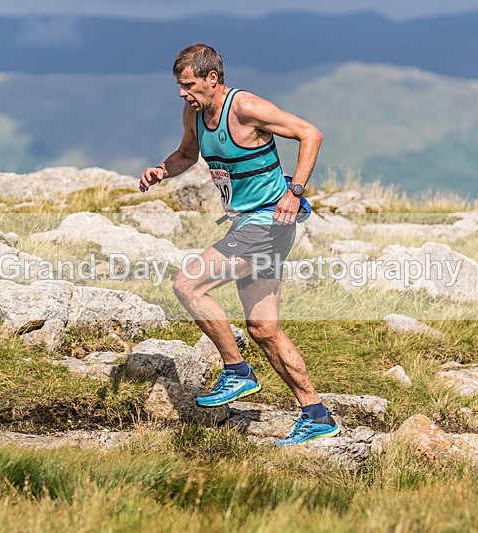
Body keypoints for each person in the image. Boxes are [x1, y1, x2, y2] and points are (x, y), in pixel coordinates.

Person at [139, 43, 338, 445]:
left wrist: (295, 191)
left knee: (188, 284)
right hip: (248, 225)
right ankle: (316, 415)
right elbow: (186, 154)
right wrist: (162, 170)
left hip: (268, 223)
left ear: (212, 78)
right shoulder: (195, 114)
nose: (182, 93)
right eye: (180, 85)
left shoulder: (245, 107)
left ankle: (236, 371)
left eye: (188, 85)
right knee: (264, 329)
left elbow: (310, 133)